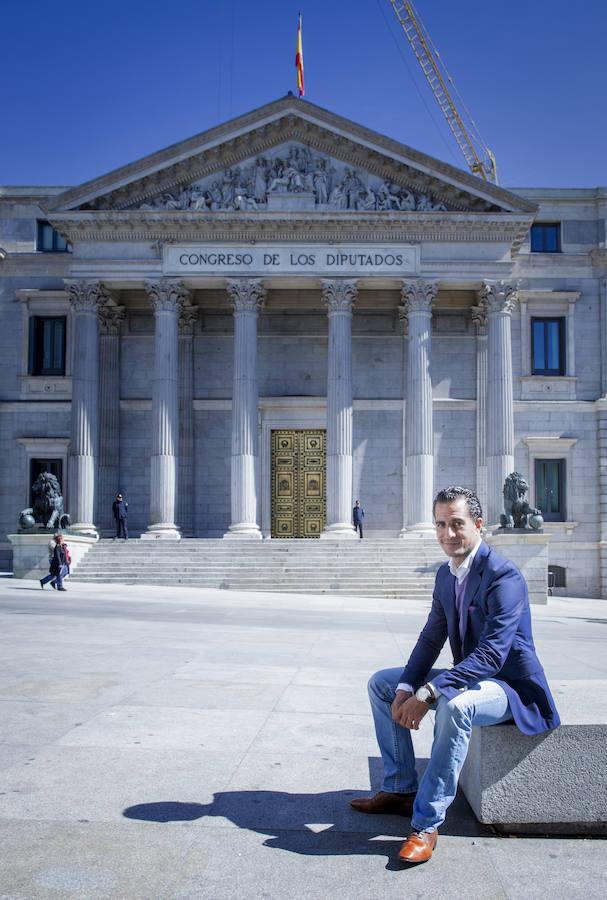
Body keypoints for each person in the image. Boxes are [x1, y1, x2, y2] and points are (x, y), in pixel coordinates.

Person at [350, 485, 560, 864]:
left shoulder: (504, 577)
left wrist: (428, 692)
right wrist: (405, 687)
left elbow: (493, 654)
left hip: (510, 688)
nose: (448, 534)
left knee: (455, 705)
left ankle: (426, 824)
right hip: (474, 675)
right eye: (441, 524)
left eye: (457, 524)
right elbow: (431, 637)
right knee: (382, 683)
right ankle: (398, 788)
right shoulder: (446, 576)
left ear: (478, 524)